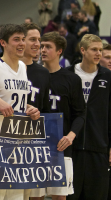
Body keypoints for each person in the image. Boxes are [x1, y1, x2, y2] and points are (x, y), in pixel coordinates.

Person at [0, 24, 40, 200]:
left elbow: (16, 101)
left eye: (23, 39)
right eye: (16, 39)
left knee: (16, 196)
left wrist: (29, 108)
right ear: (3, 42)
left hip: (18, 140)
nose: (21, 44)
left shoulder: (23, 68)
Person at [31, 32, 85, 200]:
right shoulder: (30, 75)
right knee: (35, 195)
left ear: (60, 51)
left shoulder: (72, 79)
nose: (43, 50)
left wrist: (71, 136)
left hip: (61, 145)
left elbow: (81, 113)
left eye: (48, 47)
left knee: (59, 196)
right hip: (35, 144)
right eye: (42, 46)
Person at [66, 34, 111, 200]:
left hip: (99, 147)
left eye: (100, 50)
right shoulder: (68, 74)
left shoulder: (107, 76)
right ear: (83, 50)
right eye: (94, 49)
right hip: (71, 148)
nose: (98, 53)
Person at [20, 22, 50, 113]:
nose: (37, 44)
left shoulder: (43, 73)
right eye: (33, 39)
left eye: (39, 40)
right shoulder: (6, 68)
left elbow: (45, 109)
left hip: (34, 125)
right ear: (21, 40)